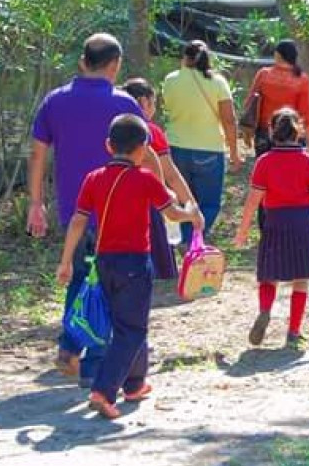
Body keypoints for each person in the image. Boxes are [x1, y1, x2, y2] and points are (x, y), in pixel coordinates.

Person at [55, 114, 203, 419]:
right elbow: (172, 214)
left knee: (125, 323)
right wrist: (192, 213)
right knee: (132, 329)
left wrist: (66, 261)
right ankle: (104, 391)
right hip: (134, 262)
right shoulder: (145, 179)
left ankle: (134, 384)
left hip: (103, 262)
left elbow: (78, 221)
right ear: (144, 148)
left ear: (109, 146)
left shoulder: (94, 178)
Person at [28, 33, 145, 386]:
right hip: (116, 212)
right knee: (108, 285)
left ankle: (69, 344)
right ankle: (93, 363)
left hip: (74, 210)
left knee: (81, 277)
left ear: (83, 61)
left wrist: (35, 203)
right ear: (115, 65)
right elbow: (145, 154)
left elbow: (37, 154)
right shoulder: (124, 103)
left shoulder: (55, 101)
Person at [234, 109, 309, 350]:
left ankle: (265, 310)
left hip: (274, 223)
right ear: (298, 131)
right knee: (300, 279)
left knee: (269, 275)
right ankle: (293, 331)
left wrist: (243, 231)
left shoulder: (264, 162)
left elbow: (253, 200)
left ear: (272, 131)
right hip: (303, 224)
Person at [161, 40, 242, 243]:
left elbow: (168, 108)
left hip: (176, 148)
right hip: (209, 149)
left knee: (182, 198)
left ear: (184, 58)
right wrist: (234, 152)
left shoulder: (171, 80)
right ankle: (194, 240)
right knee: (208, 203)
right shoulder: (218, 82)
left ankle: (184, 238)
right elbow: (229, 120)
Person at [120, 78, 197, 280]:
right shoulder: (151, 131)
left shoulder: (114, 130)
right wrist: (191, 205)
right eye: (153, 102)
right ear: (144, 101)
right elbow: (170, 174)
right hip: (150, 204)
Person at [247, 40, 309, 155]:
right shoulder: (301, 79)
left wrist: (248, 131)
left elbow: (250, 103)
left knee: (265, 165)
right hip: (292, 135)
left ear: (277, 55)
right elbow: (305, 112)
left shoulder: (264, 75)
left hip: (265, 133)